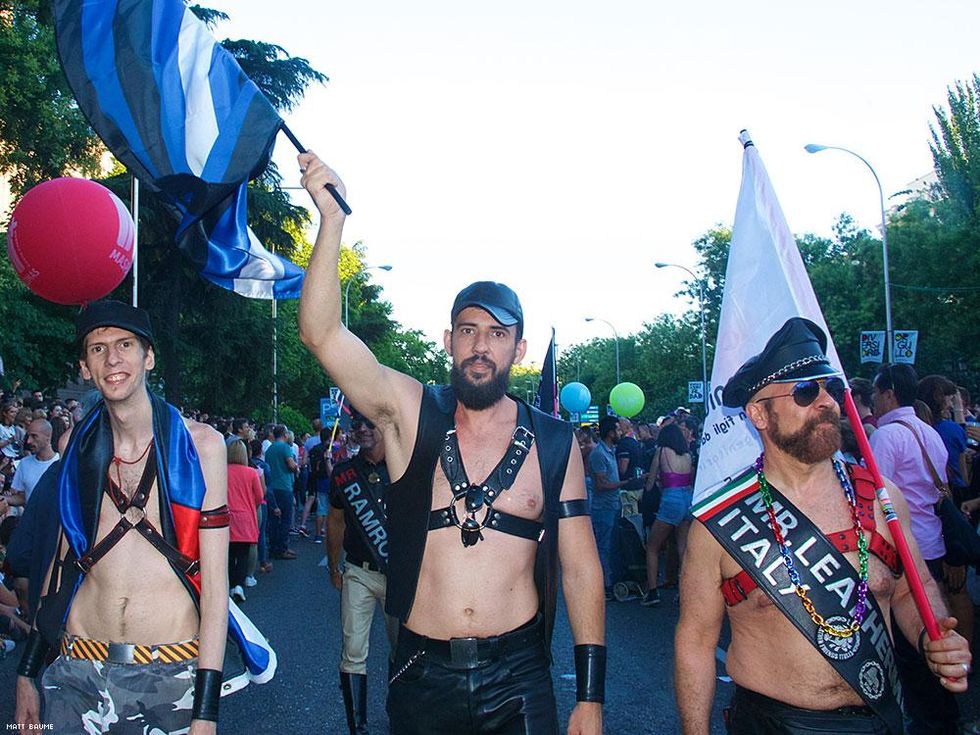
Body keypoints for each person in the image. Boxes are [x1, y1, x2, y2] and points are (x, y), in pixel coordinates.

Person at [297, 152, 604, 735]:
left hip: (519, 677)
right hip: (420, 672)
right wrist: (332, 222)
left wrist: (589, 695)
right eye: (469, 330)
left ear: (519, 348)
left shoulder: (555, 443)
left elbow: (582, 567)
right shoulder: (408, 410)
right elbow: (321, 333)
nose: (481, 346)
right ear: (448, 340)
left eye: (497, 334)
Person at [675, 318, 970, 735]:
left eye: (829, 387)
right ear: (758, 413)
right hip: (772, 724)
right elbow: (696, 642)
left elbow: (910, 590)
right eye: (805, 391)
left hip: (882, 718)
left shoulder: (883, 499)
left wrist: (932, 635)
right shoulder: (719, 523)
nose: (826, 401)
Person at [15, 300, 230, 734]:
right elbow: (62, 565)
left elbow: (217, 588)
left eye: (125, 344)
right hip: (76, 671)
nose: (112, 358)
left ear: (148, 357)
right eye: (97, 349)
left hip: (168, 675)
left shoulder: (202, 448)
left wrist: (205, 713)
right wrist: (27, 673)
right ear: (84, 368)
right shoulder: (74, 445)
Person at [870, 364, 965, 734]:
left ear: (889, 392)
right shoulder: (928, 431)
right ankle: (943, 715)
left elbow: (877, 498)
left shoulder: (887, 436)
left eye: (877, 393)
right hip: (932, 541)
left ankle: (928, 720)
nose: (874, 401)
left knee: (913, 649)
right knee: (933, 634)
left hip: (905, 549)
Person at [327, 414, 396, 734]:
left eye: (370, 424)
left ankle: (401, 713)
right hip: (358, 572)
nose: (364, 431)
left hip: (401, 576)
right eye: (357, 426)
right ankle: (358, 725)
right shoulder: (344, 474)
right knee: (353, 651)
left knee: (404, 650)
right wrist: (332, 565)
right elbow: (335, 522)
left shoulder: (406, 467)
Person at [641, 422, 694, 607]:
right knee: (683, 548)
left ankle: (652, 591)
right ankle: (686, 591)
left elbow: (649, 484)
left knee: (653, 546)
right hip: (688, 497)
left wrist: (651, 482)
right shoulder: (687, 454)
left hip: (671, 499)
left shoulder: (662, 451)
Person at [589, 416, 629, 600]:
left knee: (611, 548)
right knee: (603, 548)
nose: (621, 432)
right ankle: (603, 587)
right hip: (603, 508)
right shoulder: (599, 454)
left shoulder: (610, 451)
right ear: (610, 432)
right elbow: (600, 485)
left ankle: (609, 583)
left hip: (613, 506)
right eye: (618, 430)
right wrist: (626, 482)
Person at [226, 439, 264, 602]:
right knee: (242, 553)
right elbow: (259, 496)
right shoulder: (251, 473)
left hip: (226, 517)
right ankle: (239, 586)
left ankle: (229, 584)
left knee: (228, 554)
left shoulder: (221, 471)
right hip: (245, 517)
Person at [7, 418, 60, 514]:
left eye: (34, 436)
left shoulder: (61, 464)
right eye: (28, 436)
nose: (29, 441)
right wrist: (4, 499)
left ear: (48, 437)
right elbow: (23, 497)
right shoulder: (24, 464)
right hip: (31, 523)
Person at [265, 425, 299, 560]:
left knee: (273, 520)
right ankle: (282, 548)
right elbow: (291, 465)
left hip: (272, 486)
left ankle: (274, 548)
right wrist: (297, 468)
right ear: (285, 434)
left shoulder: (270, 449)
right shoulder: (285, 447)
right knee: (286, 519)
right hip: (284, 486)